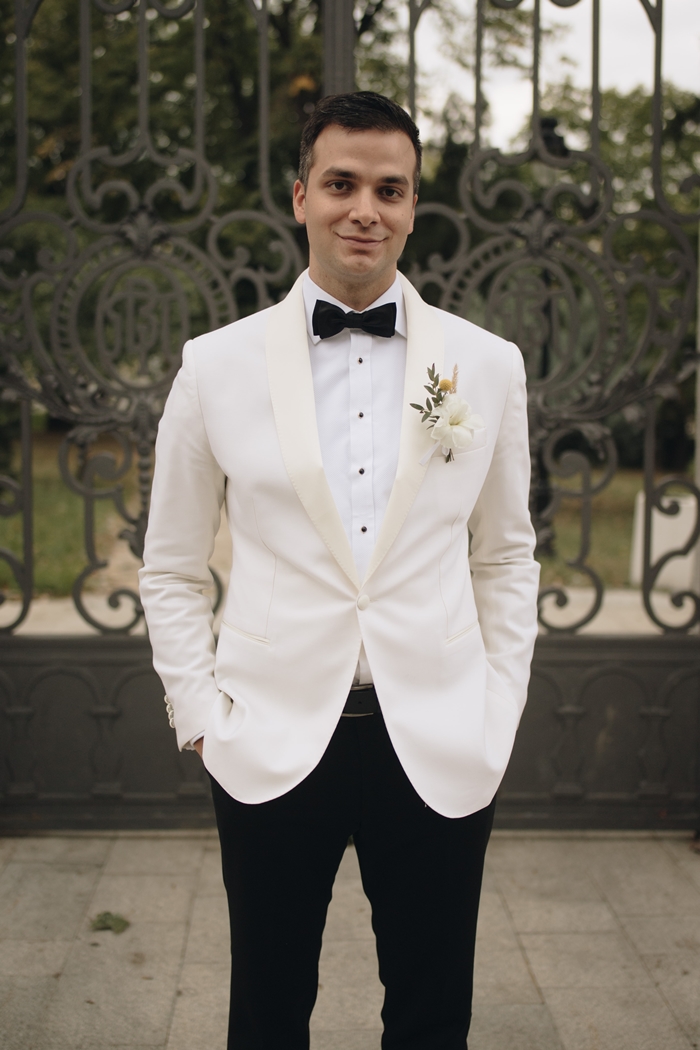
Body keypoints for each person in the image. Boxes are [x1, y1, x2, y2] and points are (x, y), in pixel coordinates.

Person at [139, 91, 540, 1050]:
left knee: (433, 1016)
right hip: (269, 739)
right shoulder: (214, 366)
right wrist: (200, 715)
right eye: (341, 184)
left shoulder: (487, 366)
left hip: (439, 736)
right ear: (301, 196)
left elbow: (506, 555)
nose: (365, 209)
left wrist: (497, 710)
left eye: (389, 190)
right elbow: (172, 566)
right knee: (268, 1012)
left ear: (413, 207)